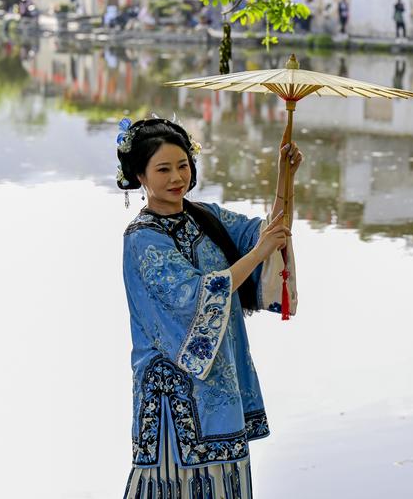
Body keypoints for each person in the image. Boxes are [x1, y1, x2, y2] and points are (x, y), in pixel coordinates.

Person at [115, 118, 302, 499]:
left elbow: (271, 235)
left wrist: (286, 175)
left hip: (220, 383)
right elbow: (198, 296)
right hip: (173, 397)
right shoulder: (142, 238)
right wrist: (259, 251)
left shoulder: (205, 216)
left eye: (182, 165)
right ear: (140, 176)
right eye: (163, 169)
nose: (176, 177)